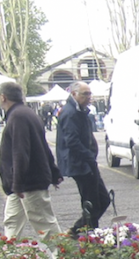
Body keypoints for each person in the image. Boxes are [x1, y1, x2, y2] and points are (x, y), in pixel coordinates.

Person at [0, 81, 64, 245]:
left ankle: (64, 258)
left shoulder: (18, 117)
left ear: (3, 98)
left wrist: (18, 184)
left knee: (44, 222)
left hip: (27, 182)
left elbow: (21, 152)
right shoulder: (26, 113)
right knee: (12, 222)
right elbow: (43, 146)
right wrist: (54, 170)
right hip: (20, 183)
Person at [57, 81, 110, 235]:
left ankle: (79, 229)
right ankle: (87, 233)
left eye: (89, 94)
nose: (88, 97)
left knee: (102, 199)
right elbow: (72, 141)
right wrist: (89, 156)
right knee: (91, 202)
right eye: (84, 94)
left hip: (86, 163)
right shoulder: (70, 112)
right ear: (74, 94)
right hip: (81, 165)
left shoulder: (79, 110)